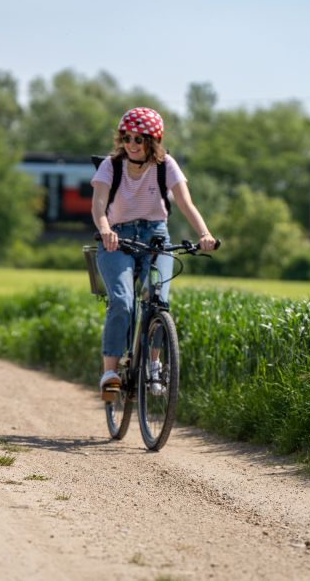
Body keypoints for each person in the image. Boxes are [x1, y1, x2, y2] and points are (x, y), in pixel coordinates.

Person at [91, 107, 216, 400]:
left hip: (156, 237)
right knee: (122, 301)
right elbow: (98, 203)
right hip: (117, 238)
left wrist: (204, 234)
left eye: (139, 138)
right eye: (127, 137)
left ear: (153, 141)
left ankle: (154, 365)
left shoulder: (166, 165)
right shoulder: (110, 165)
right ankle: (110, 373)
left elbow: (186, 203)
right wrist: (106, 228)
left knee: (158, 301)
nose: (132, 144)